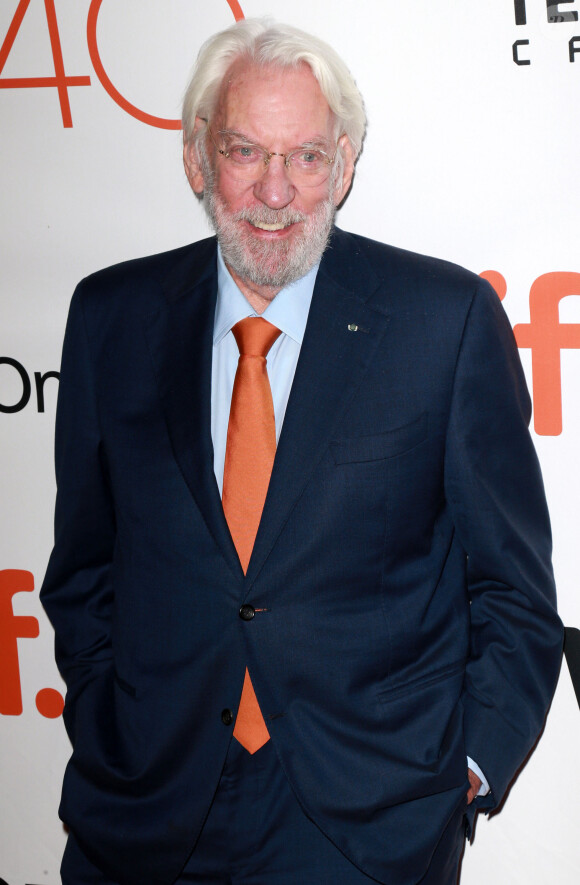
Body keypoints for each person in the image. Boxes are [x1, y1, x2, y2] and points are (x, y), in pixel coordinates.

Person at [40, 18, 563, 885]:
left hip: (367, 826)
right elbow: (84, 568)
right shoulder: (110, 316)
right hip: (143, 809)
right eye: (246, 151)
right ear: (198, 157)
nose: (275, 190)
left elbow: (512, 589)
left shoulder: (446, 320)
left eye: (307, 157)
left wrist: (462, 771)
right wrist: (107, 725)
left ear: (346, 166)